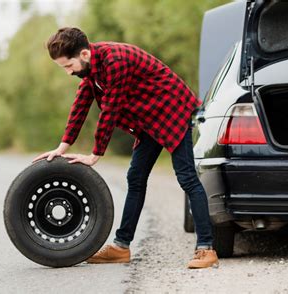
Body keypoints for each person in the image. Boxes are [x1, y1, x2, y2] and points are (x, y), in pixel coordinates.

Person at [33, 27, 219, 269]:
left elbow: (110, 110)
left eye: (68, 66)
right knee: (136, 177)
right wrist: (62, 147)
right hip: (150, 118)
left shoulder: (114, 61)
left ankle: (206, 248)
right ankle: (121, 248)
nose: (68, 72)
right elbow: (80, 106)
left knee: (186, 178)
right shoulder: (91, 70)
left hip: (172, 108)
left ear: (84, 55)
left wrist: (95, 154)